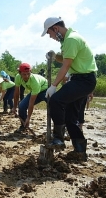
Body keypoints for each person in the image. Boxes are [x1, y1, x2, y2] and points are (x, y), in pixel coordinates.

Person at [42, 17, 97, 161]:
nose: (50, 37)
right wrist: (55, 57)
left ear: (55, 28)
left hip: (83, 80)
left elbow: (66, 66)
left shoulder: (71, 39)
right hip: (81, 80)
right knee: (70, 118)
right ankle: (80, 152)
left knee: (56, 101)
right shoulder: (67, 40)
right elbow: (66, 58)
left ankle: (58, 139)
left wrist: (53, 86)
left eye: (49, 33)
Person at [11, 63, 48, 132]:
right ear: (20, 73)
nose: (26, 76)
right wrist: (14, 107)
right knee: (21, 106)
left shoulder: (34, 81)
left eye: (28, 73)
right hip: (35, 91)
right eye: (24, 74)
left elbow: (31, 103)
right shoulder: (18, 77)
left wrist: (29, 118)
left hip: (45, 90)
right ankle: (24, 125)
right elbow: (16, 93)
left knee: (54, 107)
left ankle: (59, 131)